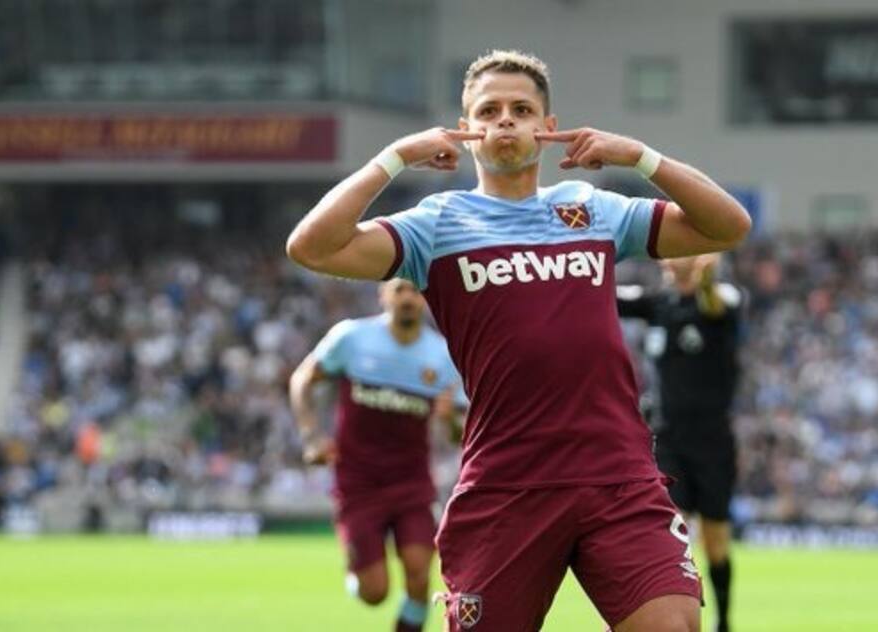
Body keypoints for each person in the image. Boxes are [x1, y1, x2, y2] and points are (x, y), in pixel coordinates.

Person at [286, 49, 751, 631]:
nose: (506, 120)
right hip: (508, 485)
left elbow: (728, 226)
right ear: (467, 130)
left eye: (522, 109)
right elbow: (312, 247)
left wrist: (639, 157)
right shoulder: (436, 223)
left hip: (618, 475)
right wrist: (395, 158)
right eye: (490, 110)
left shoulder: (591, 209)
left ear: (547, 128)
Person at [289, 278, 465, 632]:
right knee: (375, 593)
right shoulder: (352, 338)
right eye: (400, 289)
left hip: (412, 481)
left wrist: (449, 422)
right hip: (358, 482)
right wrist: (311, 436)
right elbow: (302, 379)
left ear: (425, 300)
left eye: (415, 292)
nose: (408, 298)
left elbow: (459, 432)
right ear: (383, 295)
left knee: (418, 572)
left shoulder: (443, 356)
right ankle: (357, 570)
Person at [617, 254, 743, 632]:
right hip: (668, 438)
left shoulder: (721, 299)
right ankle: (683, 616)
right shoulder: (659, 304)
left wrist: (707, 279)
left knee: (716, 539)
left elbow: (718, 305)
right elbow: (608, 297)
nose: (671, 257)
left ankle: (723, 620)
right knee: (676, 537)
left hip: (712, 442)